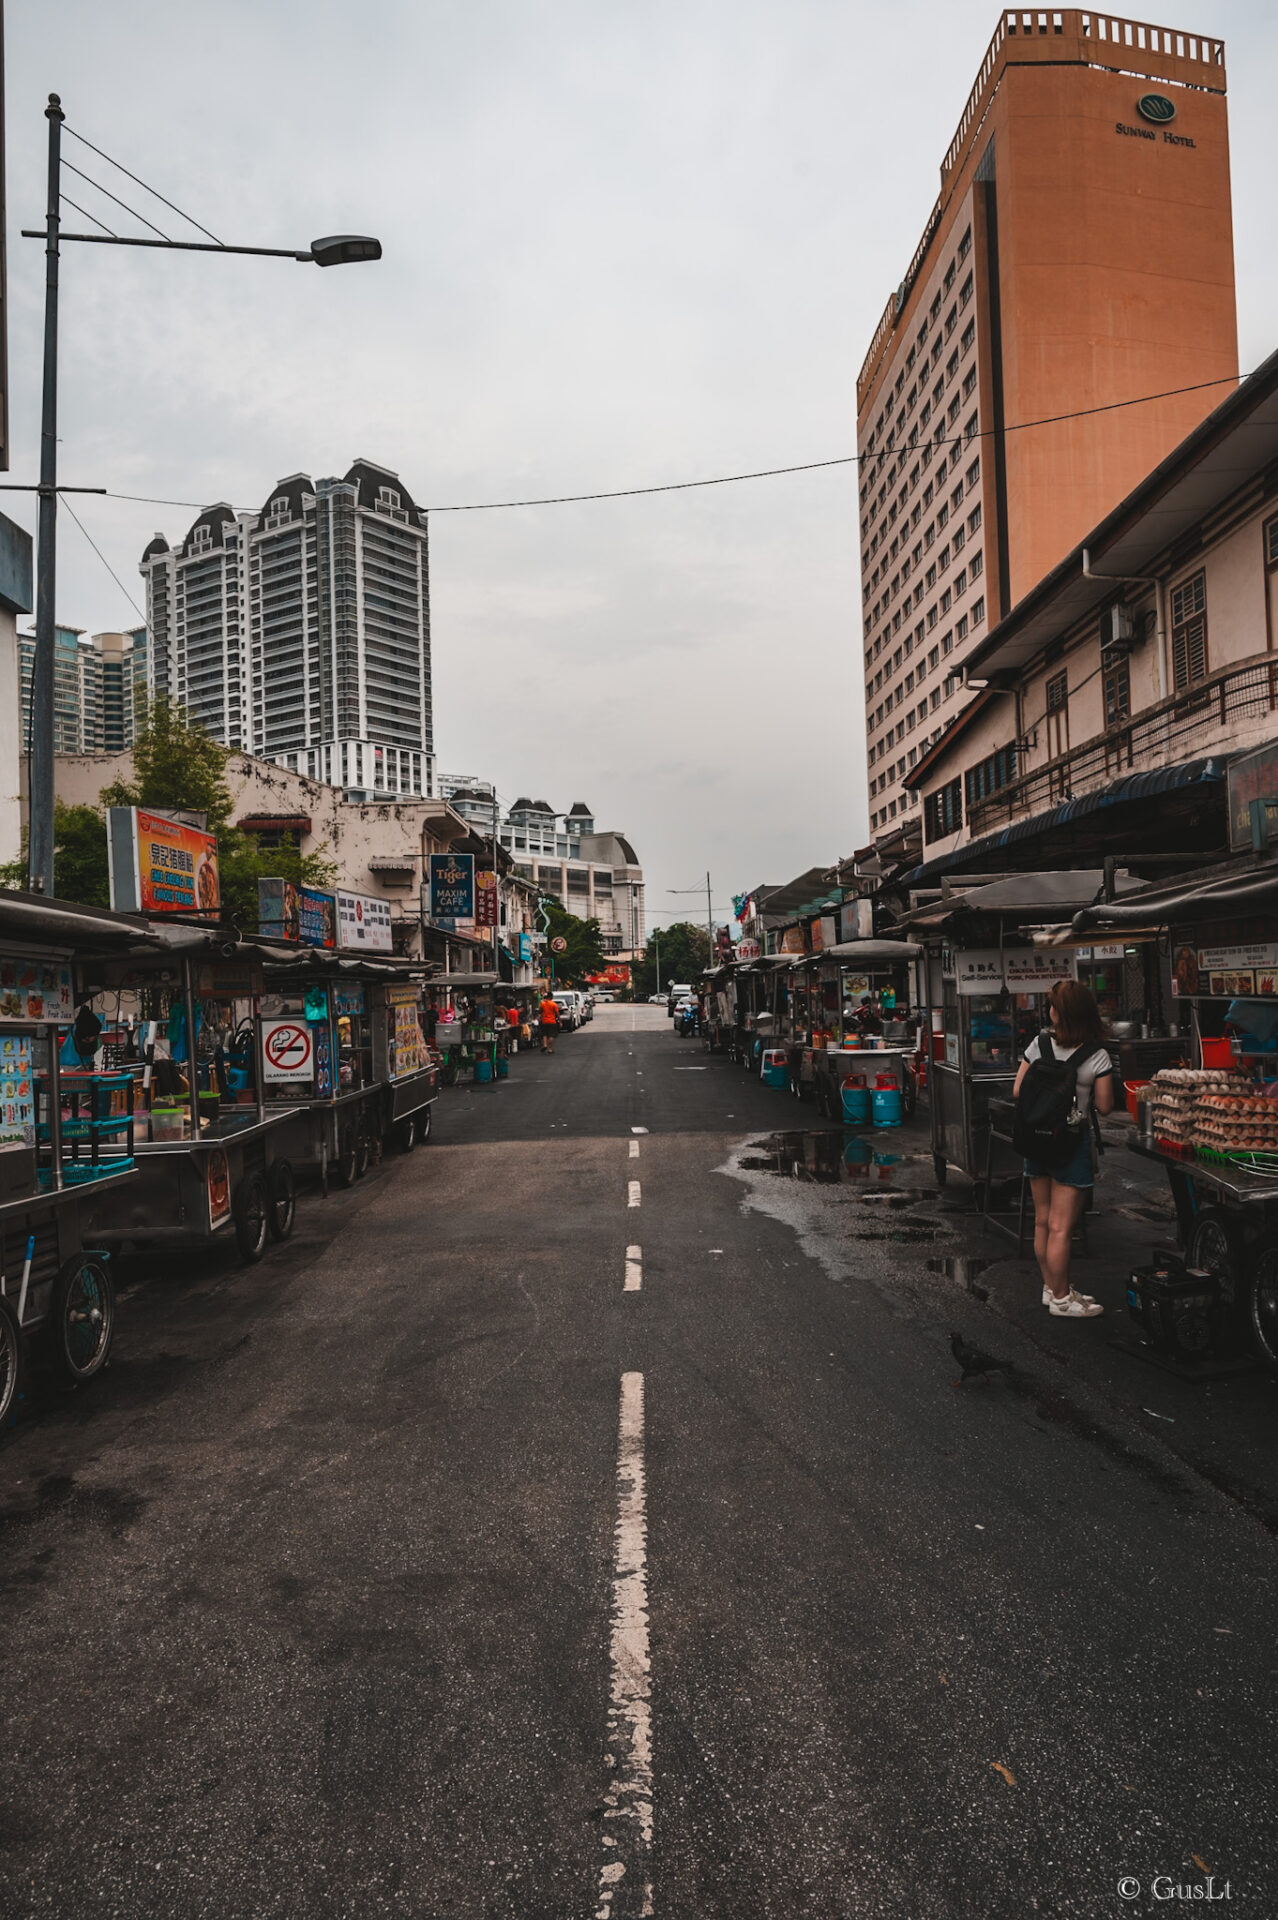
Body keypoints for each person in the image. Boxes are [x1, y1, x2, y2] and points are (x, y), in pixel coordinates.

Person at [1013, 979, 1114, 1318]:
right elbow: (1105, 1106)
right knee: (1061, 1228)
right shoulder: (1096, 1054)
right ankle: (1060, 1299)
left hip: (1036, 1140)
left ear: (1059, 1013)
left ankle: (1052, 1288)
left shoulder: (1038, 1044)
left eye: (1052, 1006)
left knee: (1042, 1222)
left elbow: (1017, 1091)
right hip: (1071, 1144)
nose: (1049, 1011)